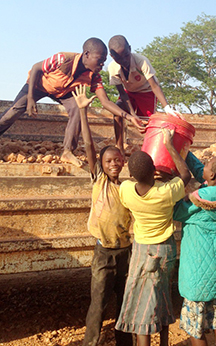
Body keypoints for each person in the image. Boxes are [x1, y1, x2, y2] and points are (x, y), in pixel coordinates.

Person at [0, 38, 144, 167]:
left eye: (104, 61)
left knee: (77, 110)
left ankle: (67, 151)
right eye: (100, 59)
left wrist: (129, 116)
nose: (102, 64)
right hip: (38, 86)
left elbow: (105, 101)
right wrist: (31, 97)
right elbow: (36, 68)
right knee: (11, 113)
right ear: (87, 54)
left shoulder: (94, 76)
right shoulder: (63, 59)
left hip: (63, 92)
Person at [115, 131, 191, 346]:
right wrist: (168, 144)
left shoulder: (126, 189)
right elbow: (185, 175)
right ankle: (164, 341)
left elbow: (136, 181)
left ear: (132, 174)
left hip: (140, 249)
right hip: (163, 250)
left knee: (141, 301)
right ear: (154, 170)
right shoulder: (166, 192)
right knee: (162, 295)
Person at [71, 84, 134, 346]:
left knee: (124, 301)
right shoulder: (100, 180)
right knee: (98, 302)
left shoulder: (129, 186)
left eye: (118, 160)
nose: (114, 164)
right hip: (103, 253)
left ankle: (124, 342)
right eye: (109, 161)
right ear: (102, 164)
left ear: (123, 162)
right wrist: (83, 112)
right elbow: (88, 145)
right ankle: (91, 342)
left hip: (125, 252)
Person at [173, 152, 216, 346]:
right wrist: (184, 151)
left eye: (208, 164)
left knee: (196, 327)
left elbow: (177, 211)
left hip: (197, 273)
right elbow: (202, 171)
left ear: (212, 177)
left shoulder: (199, 203)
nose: (204, 166)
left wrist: (174, 185)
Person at [108, 35, 181, 155]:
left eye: (126, 55)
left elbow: (154, 85)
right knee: (118, 109)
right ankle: (119, 147)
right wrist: (132, 114)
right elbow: (122, 92)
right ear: (112, 57)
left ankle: (149, 150)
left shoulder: (141, 61)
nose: (124, 60)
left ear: (130, 49)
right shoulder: (113, 68)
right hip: (129, 94)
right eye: (119, 58)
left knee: (147, 123)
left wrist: (167, 108)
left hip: (146, 92)